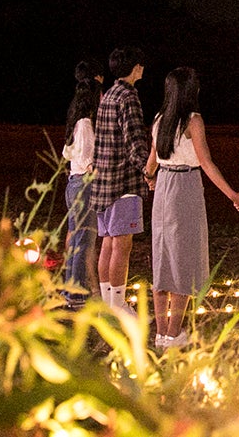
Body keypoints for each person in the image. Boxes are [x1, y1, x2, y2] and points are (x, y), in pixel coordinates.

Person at [142, 67, 239, 348]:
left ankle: (161, 333)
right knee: (182, 258)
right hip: (185, 187)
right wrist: (233, 195)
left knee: (163, 255)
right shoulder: (193, 121)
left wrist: (151, 179)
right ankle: (173, 333)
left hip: (164, 188)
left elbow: (151, 162)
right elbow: (206, 163)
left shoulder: (158, 120)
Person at [89, 45, 150, 319]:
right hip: (123, 182)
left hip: (102, 181)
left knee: (108, 243)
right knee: (122, 245)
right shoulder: (128, 96)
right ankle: (118, 306)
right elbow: (135, 140)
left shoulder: (108, 95)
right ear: (135, 68)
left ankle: (107, 303)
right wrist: (148, 171)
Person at [60, 61, 101, 306]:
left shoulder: (75, 121)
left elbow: (68, 154)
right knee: (83, 240)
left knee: (77, 238)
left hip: (74, 183)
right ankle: (76, 293)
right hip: (83, 184)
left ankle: (71, 290)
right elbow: (88, 160)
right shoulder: (85, 124)